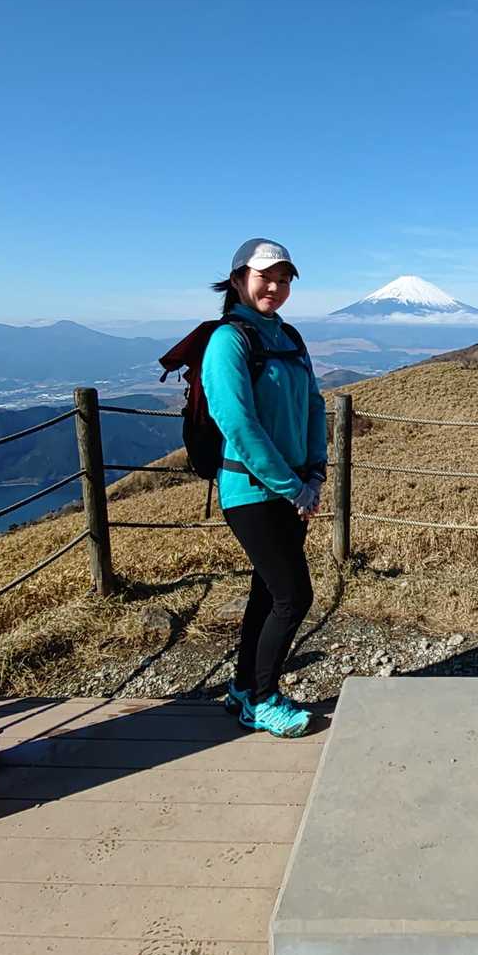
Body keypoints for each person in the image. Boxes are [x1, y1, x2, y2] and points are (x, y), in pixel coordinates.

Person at [205, 238, 326, 738]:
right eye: (264, 277)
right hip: (252, 492)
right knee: (294, 596)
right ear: (238, 280)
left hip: (294, 487)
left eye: (283, 279)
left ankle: (242, 688)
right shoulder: (228, 341)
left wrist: (315, 473)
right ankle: (262, 700)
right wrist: (293, 486)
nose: (274, 287)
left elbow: (314, 404)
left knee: (268, 592)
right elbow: (237, 422)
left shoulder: (288, 336)